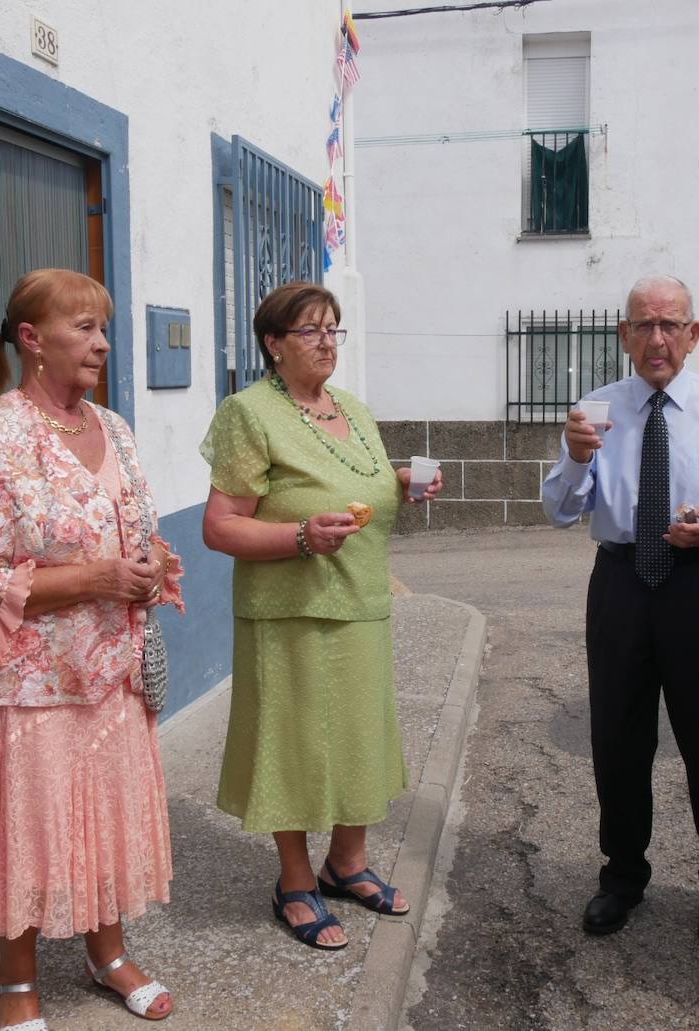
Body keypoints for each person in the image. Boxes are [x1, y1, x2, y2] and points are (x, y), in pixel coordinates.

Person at [0, 268, 184, 1028]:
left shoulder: (115, 428)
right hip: (32, 681)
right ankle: (15, 977)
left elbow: (134, 540)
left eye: (103, 327)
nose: (101, 343)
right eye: (83, 327)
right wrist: (96, 575)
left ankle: (107, 953)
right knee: (31, 828)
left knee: (106, 820)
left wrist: (148, 572)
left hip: (114, 670)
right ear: (31, 339)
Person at [201, 281, 442, 950]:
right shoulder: (248, 414)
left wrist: (396, 483)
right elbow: (219, 527)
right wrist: (300, 536)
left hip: (361, 600)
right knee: (296, 742)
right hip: (290, 610)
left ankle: (348, 863)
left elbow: (352, 479)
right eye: (310, 330)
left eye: (334, 327)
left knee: (359, 736)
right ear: (274, 344)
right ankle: (295, 880)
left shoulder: (353, 409)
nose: (328, 340)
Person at [541, 274, 699, 947]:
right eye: (643, 324)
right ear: (623, 335)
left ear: (693, 334)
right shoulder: (596, 409)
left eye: (670, 324)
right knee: (617, 737)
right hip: (621, 581)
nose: (657, 338)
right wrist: (575, 458)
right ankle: (621, 875)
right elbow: (560, 508)